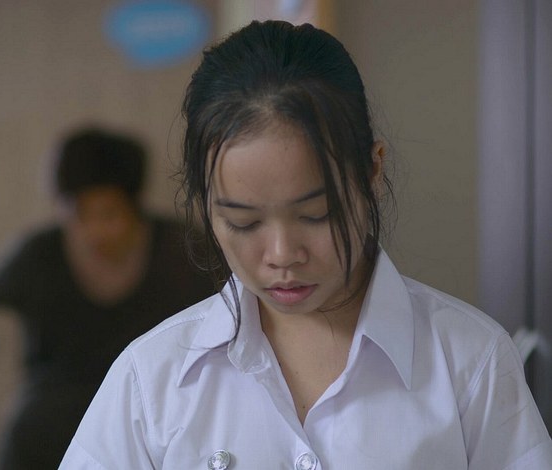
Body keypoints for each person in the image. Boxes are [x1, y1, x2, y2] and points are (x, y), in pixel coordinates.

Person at [59, 20, 552, 469]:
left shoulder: (472, 362)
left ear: (373, 170)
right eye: (244, 222)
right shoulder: (152, 379)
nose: (281, 254)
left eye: (316, 214)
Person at [0, 127, 217, 469]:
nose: (95, 232)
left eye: (109, 215)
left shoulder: (184, 252)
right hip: (45, 434)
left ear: (134, 209)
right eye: (81, 215)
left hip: (146, 428)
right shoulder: (40, 255)